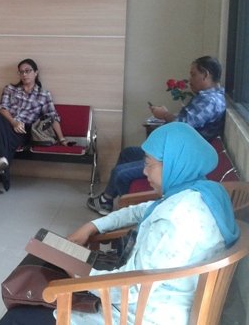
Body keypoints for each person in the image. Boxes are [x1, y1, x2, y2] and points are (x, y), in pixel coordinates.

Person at [0, 122, 239, 325]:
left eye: (149, 164)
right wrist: (93, 226)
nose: (144, 172)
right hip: (166, 300)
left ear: (175, 163)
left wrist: (78, 273)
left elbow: (129, 290)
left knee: (18, 317)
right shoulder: (202, 192)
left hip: (142, 315)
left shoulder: (173, 222)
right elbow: (142, 210)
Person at [87, 55, 226, 215]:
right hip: (174, 153)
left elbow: (182, 126)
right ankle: (108, 199)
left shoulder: (210, 101)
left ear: (205, 75)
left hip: (176, 161)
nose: (190, 79)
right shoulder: (209, 97)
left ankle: (125, 209)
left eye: (193, 74)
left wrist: (165, 115)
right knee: (127, 153)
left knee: (120, 173)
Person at [0, 58, 68, 194]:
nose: (24, 74)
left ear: (36, 72)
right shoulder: (10, 89)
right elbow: (2, 108)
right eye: (21, 72)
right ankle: (0, 164)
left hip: (23, 131)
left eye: (28, 71)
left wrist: (62, 139)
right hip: (7, 124)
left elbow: (52, 117)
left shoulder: (43, 94)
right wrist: (13, 122)